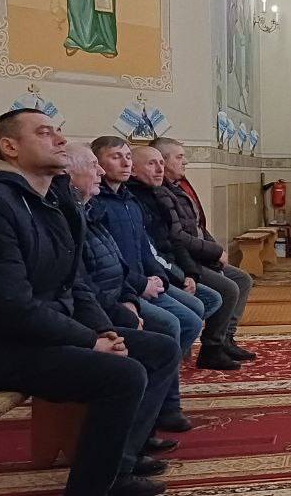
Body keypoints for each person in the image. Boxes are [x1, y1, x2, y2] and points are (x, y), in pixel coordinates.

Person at [0, 109, 176, 496]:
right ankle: (93, 487)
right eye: (44, 133)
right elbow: (8, 306)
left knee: (160, 349)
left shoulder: (47, 202)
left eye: (58, 131)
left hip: (36, 335)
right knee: (122, 376)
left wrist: (102, 329)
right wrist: (88, 341)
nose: (60, 139)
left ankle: (118, 464)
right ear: (9, 147)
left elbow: (75, 283)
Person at [79, 140, 203, 432]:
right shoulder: (96, 205)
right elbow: (107, 263)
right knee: (172, 325)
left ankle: (160, 393)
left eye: (127, 157)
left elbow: (144, 250)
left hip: (141, 282)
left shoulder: (129, 200)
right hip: (121, 290)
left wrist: (161, 276)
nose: (125, 163)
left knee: (193, 314)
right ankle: (164, 404)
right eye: (116, 158)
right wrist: (138, 285)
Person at [149, 137, 256, 367]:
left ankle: (226, 338)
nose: (185, 162)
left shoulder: (179, 187)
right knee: (229, 288)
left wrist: (215, 249)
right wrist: (213, 253)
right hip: (185, 260)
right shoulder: (161, 193)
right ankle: (212, 347)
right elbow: (177, 237)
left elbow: (198, 226)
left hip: (199, 255)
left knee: (243, 279)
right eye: (179, 157)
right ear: (164, 160)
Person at [126, 146, 230, 364]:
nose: (159, 169)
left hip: (170, 265)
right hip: (149, 276)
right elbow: (155, 248)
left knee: (217, 295)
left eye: (161, 163)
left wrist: (191, 270)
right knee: (210, 300)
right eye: (152, 164)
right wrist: (178, 275)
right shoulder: (137, 199)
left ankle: (188, 355)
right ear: (133, 169)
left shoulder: (161, 192)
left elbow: (178, 237)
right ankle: (166, 365)